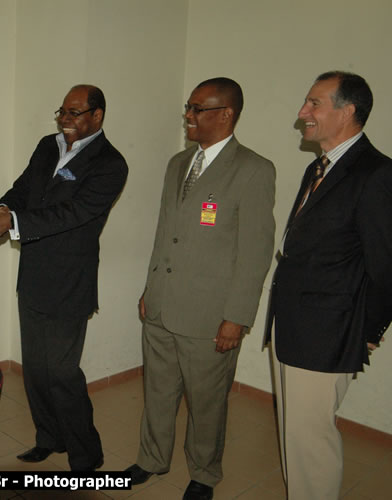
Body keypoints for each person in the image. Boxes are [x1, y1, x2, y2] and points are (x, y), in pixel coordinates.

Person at [124, 78, 275, 500]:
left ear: (225, 114)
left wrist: (238, 317)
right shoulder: (178, 164)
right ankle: (152, 458)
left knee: (207, 404)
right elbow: (164, 234)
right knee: (157, 392)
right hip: (161, 307)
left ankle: (204, 473)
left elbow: (255, 253)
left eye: (197, 109)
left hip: (210, 316)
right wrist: (149, 288)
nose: (188, 116)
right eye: (187, 108)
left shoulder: (254, 170)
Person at [0, 84, 128, 471]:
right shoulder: (48, 145)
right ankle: (49, 437)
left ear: (97, 115)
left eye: (75, 113)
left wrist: (13, 221)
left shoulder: (111, 164)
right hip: (34, 276)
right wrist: (4, 207)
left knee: (62, 373)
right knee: (36, 369)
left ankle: (86, 455)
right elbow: (26, 187)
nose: (65, 119)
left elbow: (74, 214)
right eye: (62, 111)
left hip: (70, 282)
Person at [264, 71, 392, 499]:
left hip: (328, 331)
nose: (303, 113)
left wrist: (368, 332)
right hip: (292, 322)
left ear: (348, 111)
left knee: (311, 442)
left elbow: (386, 266)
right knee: (294, 436)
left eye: (314, 104)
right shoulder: (317, 167)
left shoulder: (376, 174)